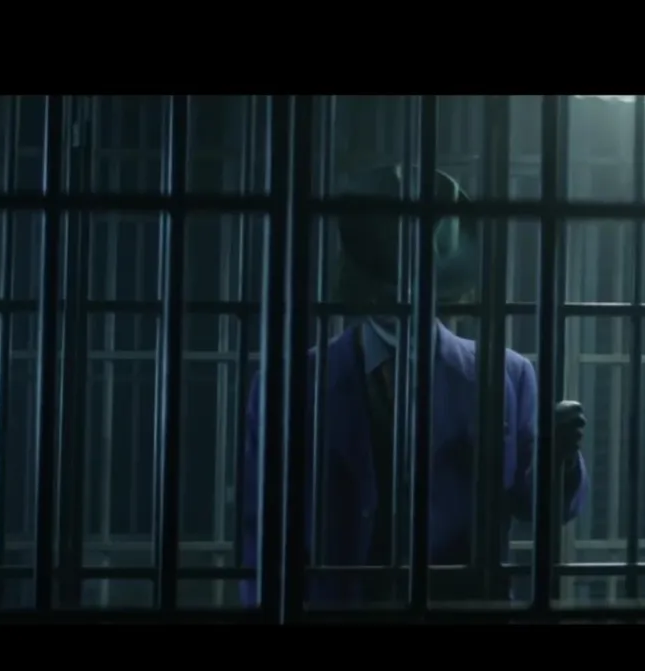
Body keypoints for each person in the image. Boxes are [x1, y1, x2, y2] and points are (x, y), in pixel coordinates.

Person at [239, 164, 589, 608]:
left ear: (442, 283)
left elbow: (542, 509)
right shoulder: (287, 385)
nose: (394, 295)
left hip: (461, 611)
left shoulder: (507, 375)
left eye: (409, 280)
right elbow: (260, 529)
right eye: (382, 278)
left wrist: (559, 461)